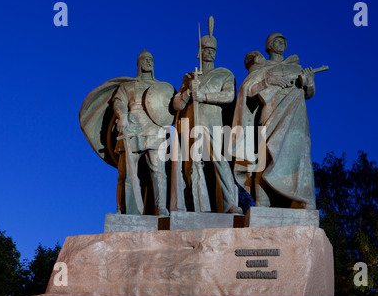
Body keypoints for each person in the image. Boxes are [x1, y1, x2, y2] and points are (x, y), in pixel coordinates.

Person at [232, 33, 317, 210]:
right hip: (271, 113)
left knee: (300, 154)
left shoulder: (296, 67)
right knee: (266, 155)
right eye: (277, 41)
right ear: (269, 46)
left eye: (283, 41)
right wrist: (269, 80)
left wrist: (309, 82)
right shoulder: (261, 67)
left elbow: (309, 93)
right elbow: (248, 90)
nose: (281, 44)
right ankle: (263, 201)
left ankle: (301, 199)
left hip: (297, 116)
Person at [170, 18, 241, 214]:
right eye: (205, 49)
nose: (209, 53)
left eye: (212, 50)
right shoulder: (190, 76)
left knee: (220, 162)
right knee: (192, 166)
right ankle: (195, 207)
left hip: (214, 124)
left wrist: (204, 96)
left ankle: (230, 204)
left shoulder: (224, 74)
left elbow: (229, 96)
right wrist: (187, 92)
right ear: (199, 51)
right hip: (192, 126)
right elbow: (177, 104)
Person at [113, 49, 170, 216]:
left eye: (151, 60)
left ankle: (161, 207)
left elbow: (171, 107)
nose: (148, 62)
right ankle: (123, 210)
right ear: (138, 64)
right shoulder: (128, 86)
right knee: (126, 174)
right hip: (132, 129)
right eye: (145, 60)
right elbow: (119, 101)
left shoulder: (160, 87)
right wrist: (122, 116)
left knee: (159, 172)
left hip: (154, 130)